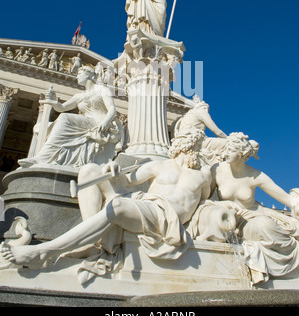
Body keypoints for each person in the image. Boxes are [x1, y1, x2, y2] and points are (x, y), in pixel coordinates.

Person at [0, 130, 219, 272]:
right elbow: (129, 180)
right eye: (192, 146)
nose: (195, 151)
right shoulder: (159, 166)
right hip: (145, 203)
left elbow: (207, 202)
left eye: (197, 147)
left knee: (116, 205)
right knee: (89, 170)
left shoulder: (204, 175)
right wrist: (114, 170)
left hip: (165, 217)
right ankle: (91, 244)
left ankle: (45, 250)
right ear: (180, 146)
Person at [210, 132, 299, 284]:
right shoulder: (216, 170)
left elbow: (287, 199)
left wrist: (296, 198)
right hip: (235, 220)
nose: (225, 153)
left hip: (255, 215)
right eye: (226, 149)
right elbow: (205, 198)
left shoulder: (255, 175)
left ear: (242, 154)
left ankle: (292, 261)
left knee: (275, 225)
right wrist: (221, 204)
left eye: (230, 150)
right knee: (265, 225)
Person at [18, 66, 122, 169]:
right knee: (57, 120)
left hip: (99, 123)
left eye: (79, 74)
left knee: (64, 118)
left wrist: (105, 122)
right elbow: (62, 108)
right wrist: (54, 100)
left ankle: (42, 157)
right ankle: (43, 157)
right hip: (86, 122)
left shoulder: (102, 90)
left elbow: (112, 109)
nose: (77, 77)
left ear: (89, 75)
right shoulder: (79, 96)